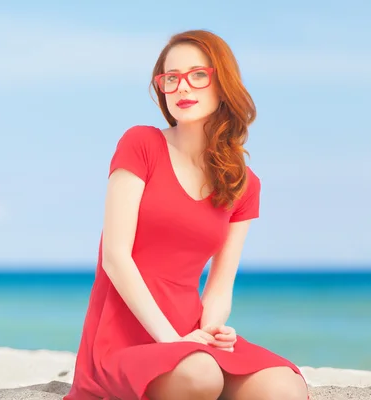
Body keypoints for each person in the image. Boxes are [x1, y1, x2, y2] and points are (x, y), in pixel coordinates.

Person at [64, 29, 309, 400]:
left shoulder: (244, 184)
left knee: (284, 386)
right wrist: (172, 341)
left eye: (198, 75)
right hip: (124, 339)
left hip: (191, 335)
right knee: (200, 375)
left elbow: (221, 283)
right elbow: (116, 257)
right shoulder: (141, 144)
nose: (182, 87)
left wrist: (211, 329)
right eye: (171, 78)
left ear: (222, 82)